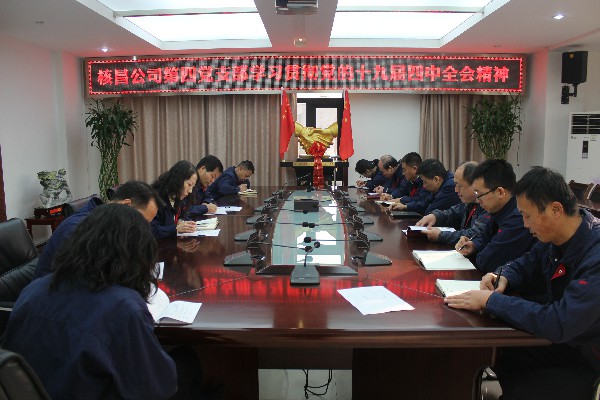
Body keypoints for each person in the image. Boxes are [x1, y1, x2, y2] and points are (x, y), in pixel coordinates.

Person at [445, 167, 600, 400]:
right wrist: (502, 276)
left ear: (555, 210)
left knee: (521, 385)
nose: (525, 225)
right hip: (566, 343)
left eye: (527, 216)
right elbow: (525, 263)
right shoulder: (554, 237)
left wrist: (492, 301)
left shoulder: (595, 253)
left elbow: (560, 321)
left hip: (588, 358)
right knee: (496, 354)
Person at [3, 204, 178, 399]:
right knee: (188, 360)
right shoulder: (123, 308)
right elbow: (158, 387)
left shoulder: (33, 289)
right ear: (138, 252)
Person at [34, 180, 162, 279]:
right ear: (126, 205)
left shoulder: (110, 223)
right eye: (143, 221)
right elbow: (88, 280)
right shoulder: (79, 229)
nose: (142, 228)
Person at [455, 159, 537, 273]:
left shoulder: (518, 219)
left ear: (500, 192)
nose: (477, 200)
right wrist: (473, 246)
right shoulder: (498, 210)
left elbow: (487, 262)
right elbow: (483, 238)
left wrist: (478, 252)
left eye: (479, 194)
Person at [416, 161, 489, 245]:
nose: (456, 190)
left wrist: (441, 236)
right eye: (455, 185)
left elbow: (474, 235)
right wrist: (435, 216)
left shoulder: (487, 204)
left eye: (459, 186)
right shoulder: (468, 202)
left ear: (475, 184)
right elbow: (453, 213)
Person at [389, 158, 460, 215]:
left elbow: (429, 211)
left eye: (425, 182)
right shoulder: (439, 185)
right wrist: (406, 206)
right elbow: (425, 203)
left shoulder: (450, 187)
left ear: (436, 179)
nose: (424, 186)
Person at [151, 160, 198, 239]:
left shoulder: (180, 195)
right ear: (178, 180)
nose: (190, 191)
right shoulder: (156, 198)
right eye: (189, 184)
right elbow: (152, 231)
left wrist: (181, 220)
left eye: (193, 187)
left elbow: (185, 212)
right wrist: (176, 228)